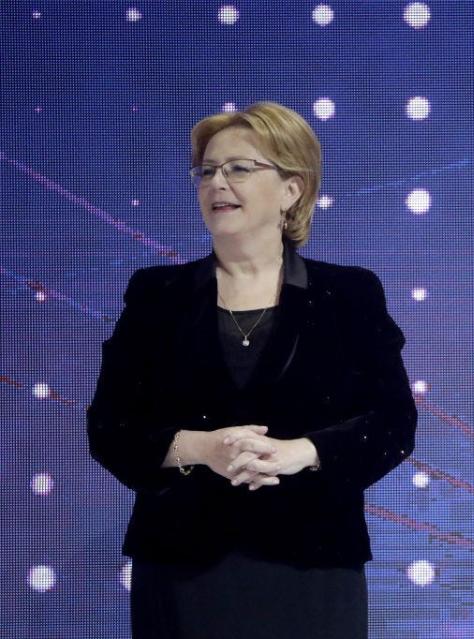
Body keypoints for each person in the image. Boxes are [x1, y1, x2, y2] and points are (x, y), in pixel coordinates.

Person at [87, 101, 417, 639]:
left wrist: (298, 454)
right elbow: (110, 429)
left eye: (239, 168)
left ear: (292, 188)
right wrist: (201, 449)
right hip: (181, 569)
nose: (218, 182)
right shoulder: (157, 296)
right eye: (207, 172)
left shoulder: (349, 294)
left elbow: (392, 423)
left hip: (312, 566)